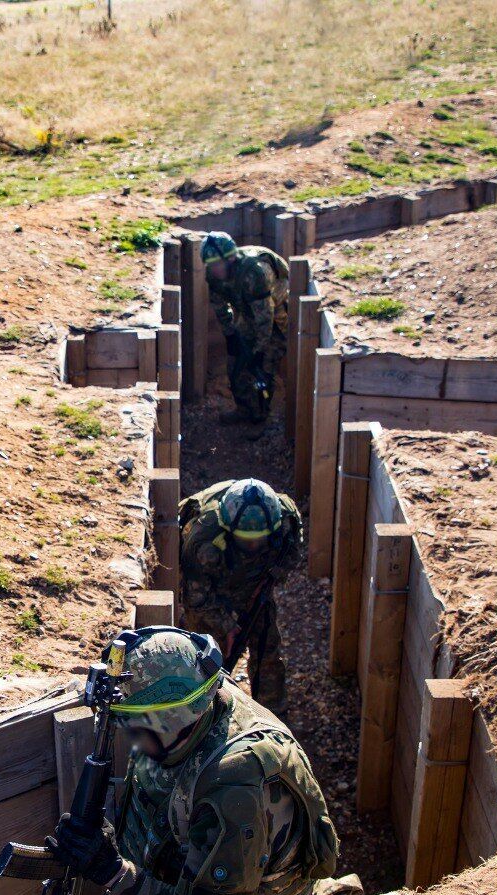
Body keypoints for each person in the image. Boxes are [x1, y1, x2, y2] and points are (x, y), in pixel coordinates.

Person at [47, 628, 357, 895]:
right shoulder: (202, 702)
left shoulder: (235, 785)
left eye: (137, 722)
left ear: (174, 718)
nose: (129, 734)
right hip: (184, 884)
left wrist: (112, 871)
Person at [179, 479, 301, 715]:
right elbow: (195, 600)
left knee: (267, 647)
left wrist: (276, 573)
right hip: (212, 585)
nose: (254, 544)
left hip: (256, 582)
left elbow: (293, 548)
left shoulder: (285, 518)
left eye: (260, 539)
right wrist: (228, 625)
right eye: (246, 539)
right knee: (206, 653)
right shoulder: (204, 541)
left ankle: (273, 713)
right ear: (228, 530)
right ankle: (200, 712)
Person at [201, 232, 290, 430]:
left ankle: (260, 417)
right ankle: (244, 409)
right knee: (236, 365)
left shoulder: (254, 273)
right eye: (210, 265)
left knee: (263, 369)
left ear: (231, 258)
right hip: (249, 313)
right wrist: (230, 333)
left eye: (218, 264)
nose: (214, 269)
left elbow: (265, 318)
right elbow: (219, 304)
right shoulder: (213, 274)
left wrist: (258, 350)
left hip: (277, 315)